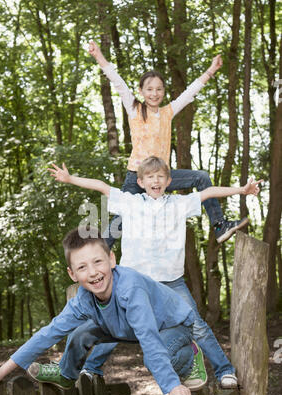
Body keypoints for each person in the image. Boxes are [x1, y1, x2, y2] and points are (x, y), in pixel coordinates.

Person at [48, 158, 262, 389]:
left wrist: (242, 190)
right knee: (111, 323)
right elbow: (100, 186)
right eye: (150, 177)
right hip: (132, 282)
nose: (156, 181)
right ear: (140, 181)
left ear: (169, 181)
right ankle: (91, 369)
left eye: (160, 177)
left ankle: (224, 370)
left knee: (197, 325)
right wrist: (70, 179)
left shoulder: (180, 204)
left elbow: (208, 191)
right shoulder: (129, 202)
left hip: (171, 282)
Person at [0, 228, 210, 395]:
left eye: (98, 262)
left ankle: (191, 355)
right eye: (82, 267)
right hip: (124, 327)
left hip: (171, 325)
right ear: (72, 274)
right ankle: (66, 374)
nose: (92, 272)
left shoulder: (131, 289)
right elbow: (48, 333)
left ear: (111, 259)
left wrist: (171, 386)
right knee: (80, 333)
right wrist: (3, 369)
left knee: (156, 358)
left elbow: (149, 339)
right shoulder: (83, 299)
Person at [88, 40, 248, 246]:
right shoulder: (134, 109)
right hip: (136, 177)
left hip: (163, 176)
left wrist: (211, 69)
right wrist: (99, 56)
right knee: (121, 220)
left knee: (201, 178)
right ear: (141, 91)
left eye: (159, 89)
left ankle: (219, 225)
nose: (154, 94)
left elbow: (191, 91)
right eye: (149, 89)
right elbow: (117, 81)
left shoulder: (168, 112)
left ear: (163, 91)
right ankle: (98, 252)